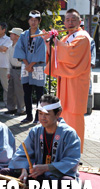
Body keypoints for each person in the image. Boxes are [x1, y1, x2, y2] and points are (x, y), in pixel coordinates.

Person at [0, 95, 81, 189]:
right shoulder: (36, 131)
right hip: (39, 177)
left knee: (68, 185)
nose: (42, 118)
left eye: (47, 114)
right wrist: (23, 168)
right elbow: (22, 153)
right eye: (40, 113)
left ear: (58, 114)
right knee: (5, 173)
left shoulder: (69, 133)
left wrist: (47, 168)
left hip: (57, 178)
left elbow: (72, 160)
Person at [43, 9, 91, 153]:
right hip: (65, 81)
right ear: (64, 22)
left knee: (74, 115)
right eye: (67, 20)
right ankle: (63, 149)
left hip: (76, 82)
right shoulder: (66, 38)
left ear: (80, 22)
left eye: (73, 20)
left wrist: (56, 42)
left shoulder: (82, 37)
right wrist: (48, 44)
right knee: (63, 113)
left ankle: (75, 151)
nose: (70, 23)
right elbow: (57, 56)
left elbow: (71, 54)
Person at [14, 10, 46, 124]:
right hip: (26, 65)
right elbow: (19, 49)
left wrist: (31, 64)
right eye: (31, 20)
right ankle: (29, 116)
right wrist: (27, 64)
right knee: (26, 92)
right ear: (28, 21)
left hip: (37, 66)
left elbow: (41, 52)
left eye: (35, 20)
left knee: (39, 93)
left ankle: (38, 117)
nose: (33, 22)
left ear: (39, 21)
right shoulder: (23, 35)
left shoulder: (41, 35)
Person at [5, 28, 26, 116]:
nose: (10, 35)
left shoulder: (21, 46)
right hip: (13, 69)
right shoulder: (10, 47)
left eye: (12, 34)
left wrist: (23, 73)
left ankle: (21, 109)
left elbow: (24, 61)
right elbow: (8, 60)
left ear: (17, 36)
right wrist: (8, 72)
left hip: (19, 69)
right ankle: (11, 108)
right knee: (11, 90)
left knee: (19, 91)